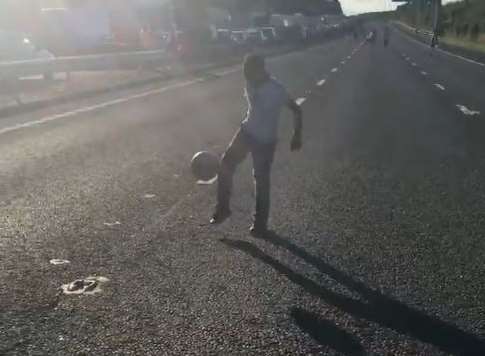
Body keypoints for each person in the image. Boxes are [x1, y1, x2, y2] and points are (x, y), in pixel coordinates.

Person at [210, 54, 303, 236]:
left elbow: (297, 110)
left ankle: (260, 225)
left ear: (261, 70)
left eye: (249, 72)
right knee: (226, 164)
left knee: (261, 181)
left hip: (266, 141)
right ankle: (223, 209)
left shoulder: (277, 90)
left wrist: (297, 135)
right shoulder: (251, 82)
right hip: (247, 132)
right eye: (245, 72)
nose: (246, 76)